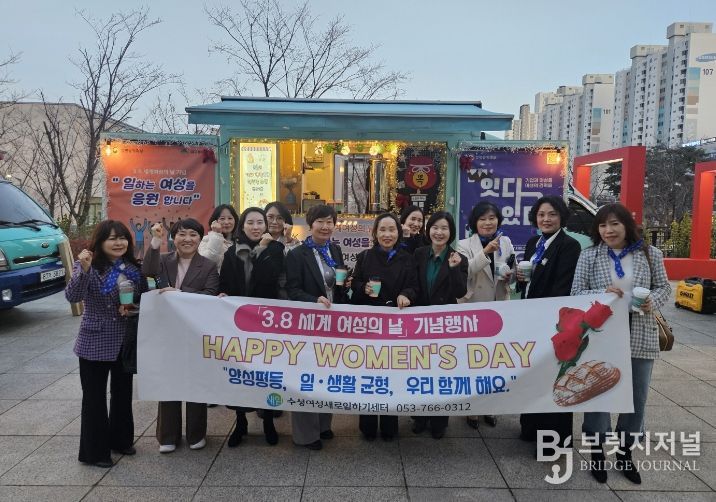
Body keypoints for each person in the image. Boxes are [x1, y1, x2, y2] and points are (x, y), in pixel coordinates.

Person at [571, 203, 670, 485]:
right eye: (603, 225)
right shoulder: (590, 255)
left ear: (627, 225)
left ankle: (625, 452)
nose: (608, 230)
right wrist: (601, 293)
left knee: (636, 397)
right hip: (602, 336)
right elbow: (576, 292)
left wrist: (652, 301)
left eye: (614, 223)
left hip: (639, 333)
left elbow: (664, 287)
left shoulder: (650, 254)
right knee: (597, 391)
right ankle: (597, 451)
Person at [65, 220, 147, 468]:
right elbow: (73, 296)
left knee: (122, 394)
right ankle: (95, 452)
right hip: (94, 341)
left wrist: (132, 307)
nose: (118, 243)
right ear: (100, 242)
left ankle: (121, 440)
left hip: (124, 340)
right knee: (94, 398)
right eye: (112, 238)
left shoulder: (133, 268)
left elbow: (142, 297)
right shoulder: (89, 265)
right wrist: (84, 269)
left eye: (122, 238)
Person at [142, 218, 219, 453]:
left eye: (193, 235)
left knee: (196, 382)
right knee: (169, 381)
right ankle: (167, 436)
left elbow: (210, 294)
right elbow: (147, 272)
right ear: (174, 238)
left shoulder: (208, 265)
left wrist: (178, 293)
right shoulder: (163, 260)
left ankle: (197, 434)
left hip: (195, 331)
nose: (187, 239)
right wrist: (155, 241)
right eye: (182, 234)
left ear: (200, 239)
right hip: (166, 331)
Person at [515, 195, 581, 457]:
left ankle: (554, 442)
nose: (546, 219)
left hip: (553, 324)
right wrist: (520, 279)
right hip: (531, 320)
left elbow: (562, 289)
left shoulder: (569, 246)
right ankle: (530, 428)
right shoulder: (535, 243)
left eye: (552, 214)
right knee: (534, 377)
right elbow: (529, 282)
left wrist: (542, 318)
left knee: (555, 380)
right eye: (541, 214)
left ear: (561, 216)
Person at [219, 207, 285, 447]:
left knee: (266, 374)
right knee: (240, 374)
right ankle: (241, 422)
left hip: (267, 323)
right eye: (250, 223)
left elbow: (269, 277)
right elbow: (225, 282)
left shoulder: (275, 249)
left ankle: (268, 421)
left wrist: (263, 249)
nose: (256, 227)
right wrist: (223, 294)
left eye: (260, 222)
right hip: (238, 324)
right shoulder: (231, 252)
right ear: (242, 226)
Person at [285, 204, 349, 450]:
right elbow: (292, 290)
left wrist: (345, 286)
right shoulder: (297, 255)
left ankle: (323, 424)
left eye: (329, 221)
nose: (325, 226)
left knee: (327, 373)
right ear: (310, 225)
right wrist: (314, 300)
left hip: (331, 325)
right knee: (306, 377)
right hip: (308, 324)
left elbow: (336, 284)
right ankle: (305, 435)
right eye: (320, 221)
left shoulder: (335, 249)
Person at [351, 212, 418, 441]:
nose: (387, 234)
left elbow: (414, 286)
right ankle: (367, 426)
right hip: (369, 327)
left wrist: (406, 294)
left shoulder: (407, 258)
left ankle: (390, 426)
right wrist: (363, 288)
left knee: (391, 376)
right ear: (375, 233)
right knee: (369, 376)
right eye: (382, 229)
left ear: (398, 233)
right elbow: (355, 284)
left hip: (396, 326)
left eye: (392, 230)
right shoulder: (365, 257)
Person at [457, 201, 515, 429]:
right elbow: (465, 271)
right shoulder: (463, 245)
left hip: (499, 307)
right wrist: (485, 252)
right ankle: (472, 409)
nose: (488, 223)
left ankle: (490, 407)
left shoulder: (506, 242)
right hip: (474, 309)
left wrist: (511, 275)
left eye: (492, 218)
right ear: (475, 223)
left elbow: (512, 267)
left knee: (495, 361)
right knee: (474, 361)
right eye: (483, 219)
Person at [412, 211, 468, 439]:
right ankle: (419, 417)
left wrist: (454, 269)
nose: (439, 232)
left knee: (441, 373)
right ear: (429, 230)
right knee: (420, 371)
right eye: (435, 227)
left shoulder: (458, 258)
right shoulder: (419, 254)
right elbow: (412, 284)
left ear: (450, 232)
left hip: (443, 325)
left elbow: (460, 292)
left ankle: (439, 422)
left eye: (444, 228)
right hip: (418, 323)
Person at [198, 204, 239, 272]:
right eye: (222, 218)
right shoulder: (206, 240)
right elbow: (207, 262)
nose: (226, 222)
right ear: (214, 221)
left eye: (230, 218)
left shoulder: (240, 241)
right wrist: (217, 235)